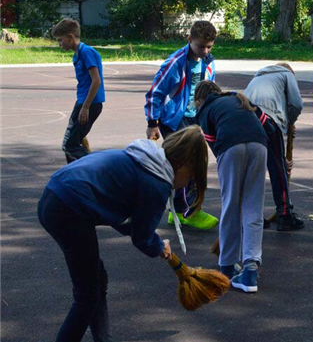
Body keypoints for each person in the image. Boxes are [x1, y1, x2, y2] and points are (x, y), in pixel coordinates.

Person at [38, 126, 208, 342]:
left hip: (55, 197)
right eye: (191, 178)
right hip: (68, 209)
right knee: (87, 295)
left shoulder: (144, 159)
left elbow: (119, 215)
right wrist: (157, 245)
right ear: (184, 165)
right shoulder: (157, 183)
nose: (186, 184)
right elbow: (141, 237)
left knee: (96, 280)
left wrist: (153, 241)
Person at [144, 20, 218, 230]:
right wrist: (152, 122)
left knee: (193, 164)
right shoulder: (175, 62)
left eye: (209, 47)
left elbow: (209, 89)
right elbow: (155, 92)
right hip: (175, 120)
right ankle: (186, 211)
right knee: (187, 165)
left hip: (197, 118)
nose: (205, 51)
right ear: (189, 40)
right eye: (201, 46)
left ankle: (180, 209)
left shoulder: (209, 61)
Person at [195, 81, 268, 293]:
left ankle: (227, 265)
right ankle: (250, 268)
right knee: (253, 207)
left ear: (200, 100)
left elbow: (215, 147)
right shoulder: (239, 99)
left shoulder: (205, 110)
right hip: (259, 144)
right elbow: (265, 123)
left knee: (231, 205)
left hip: (230, 146)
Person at [244, 63, 305, 231]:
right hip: (267, 120)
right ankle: (285, 214)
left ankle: (252, 216)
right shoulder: (287, 74)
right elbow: (296, 104)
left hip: (245, 120)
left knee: (252, 169)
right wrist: (290, 121)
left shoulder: (259, 75)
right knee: (277, 168)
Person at [53, 18, 105, 164]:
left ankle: (95, 168)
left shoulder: (86, 52)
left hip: (90, 104)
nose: (59, 44)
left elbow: (96, 81)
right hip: (82, 101)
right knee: (73, 142)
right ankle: (74, 175)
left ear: (70, 37)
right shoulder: (77, 54)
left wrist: (86, 107)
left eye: (60, 40)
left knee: (70, 145)